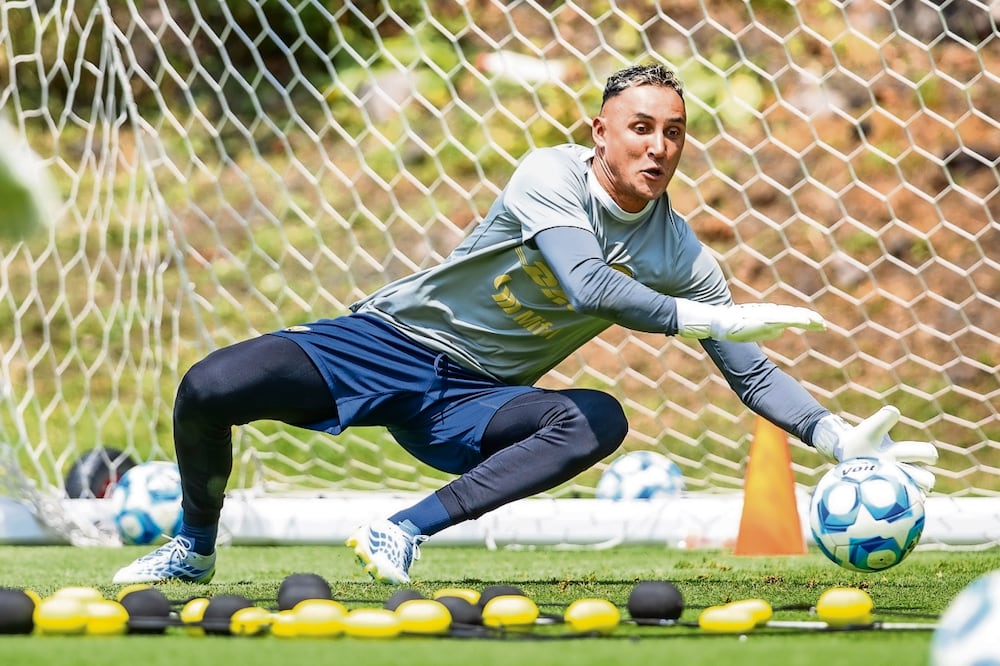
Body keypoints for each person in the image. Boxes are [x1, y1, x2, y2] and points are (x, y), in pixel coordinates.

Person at [112, 63, 938, 586]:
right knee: (209, 387)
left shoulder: (680, 253)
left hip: (476, 400)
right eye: (641, 128)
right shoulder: (549, 173)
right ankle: (195, 549)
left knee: (596, 419)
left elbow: (750, 372)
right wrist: (696, 318)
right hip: (389, 341)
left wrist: (834, 436)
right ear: (600, 134)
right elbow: (586, 284)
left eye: (674, 133)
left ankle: (402, 531)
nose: (658, 147)